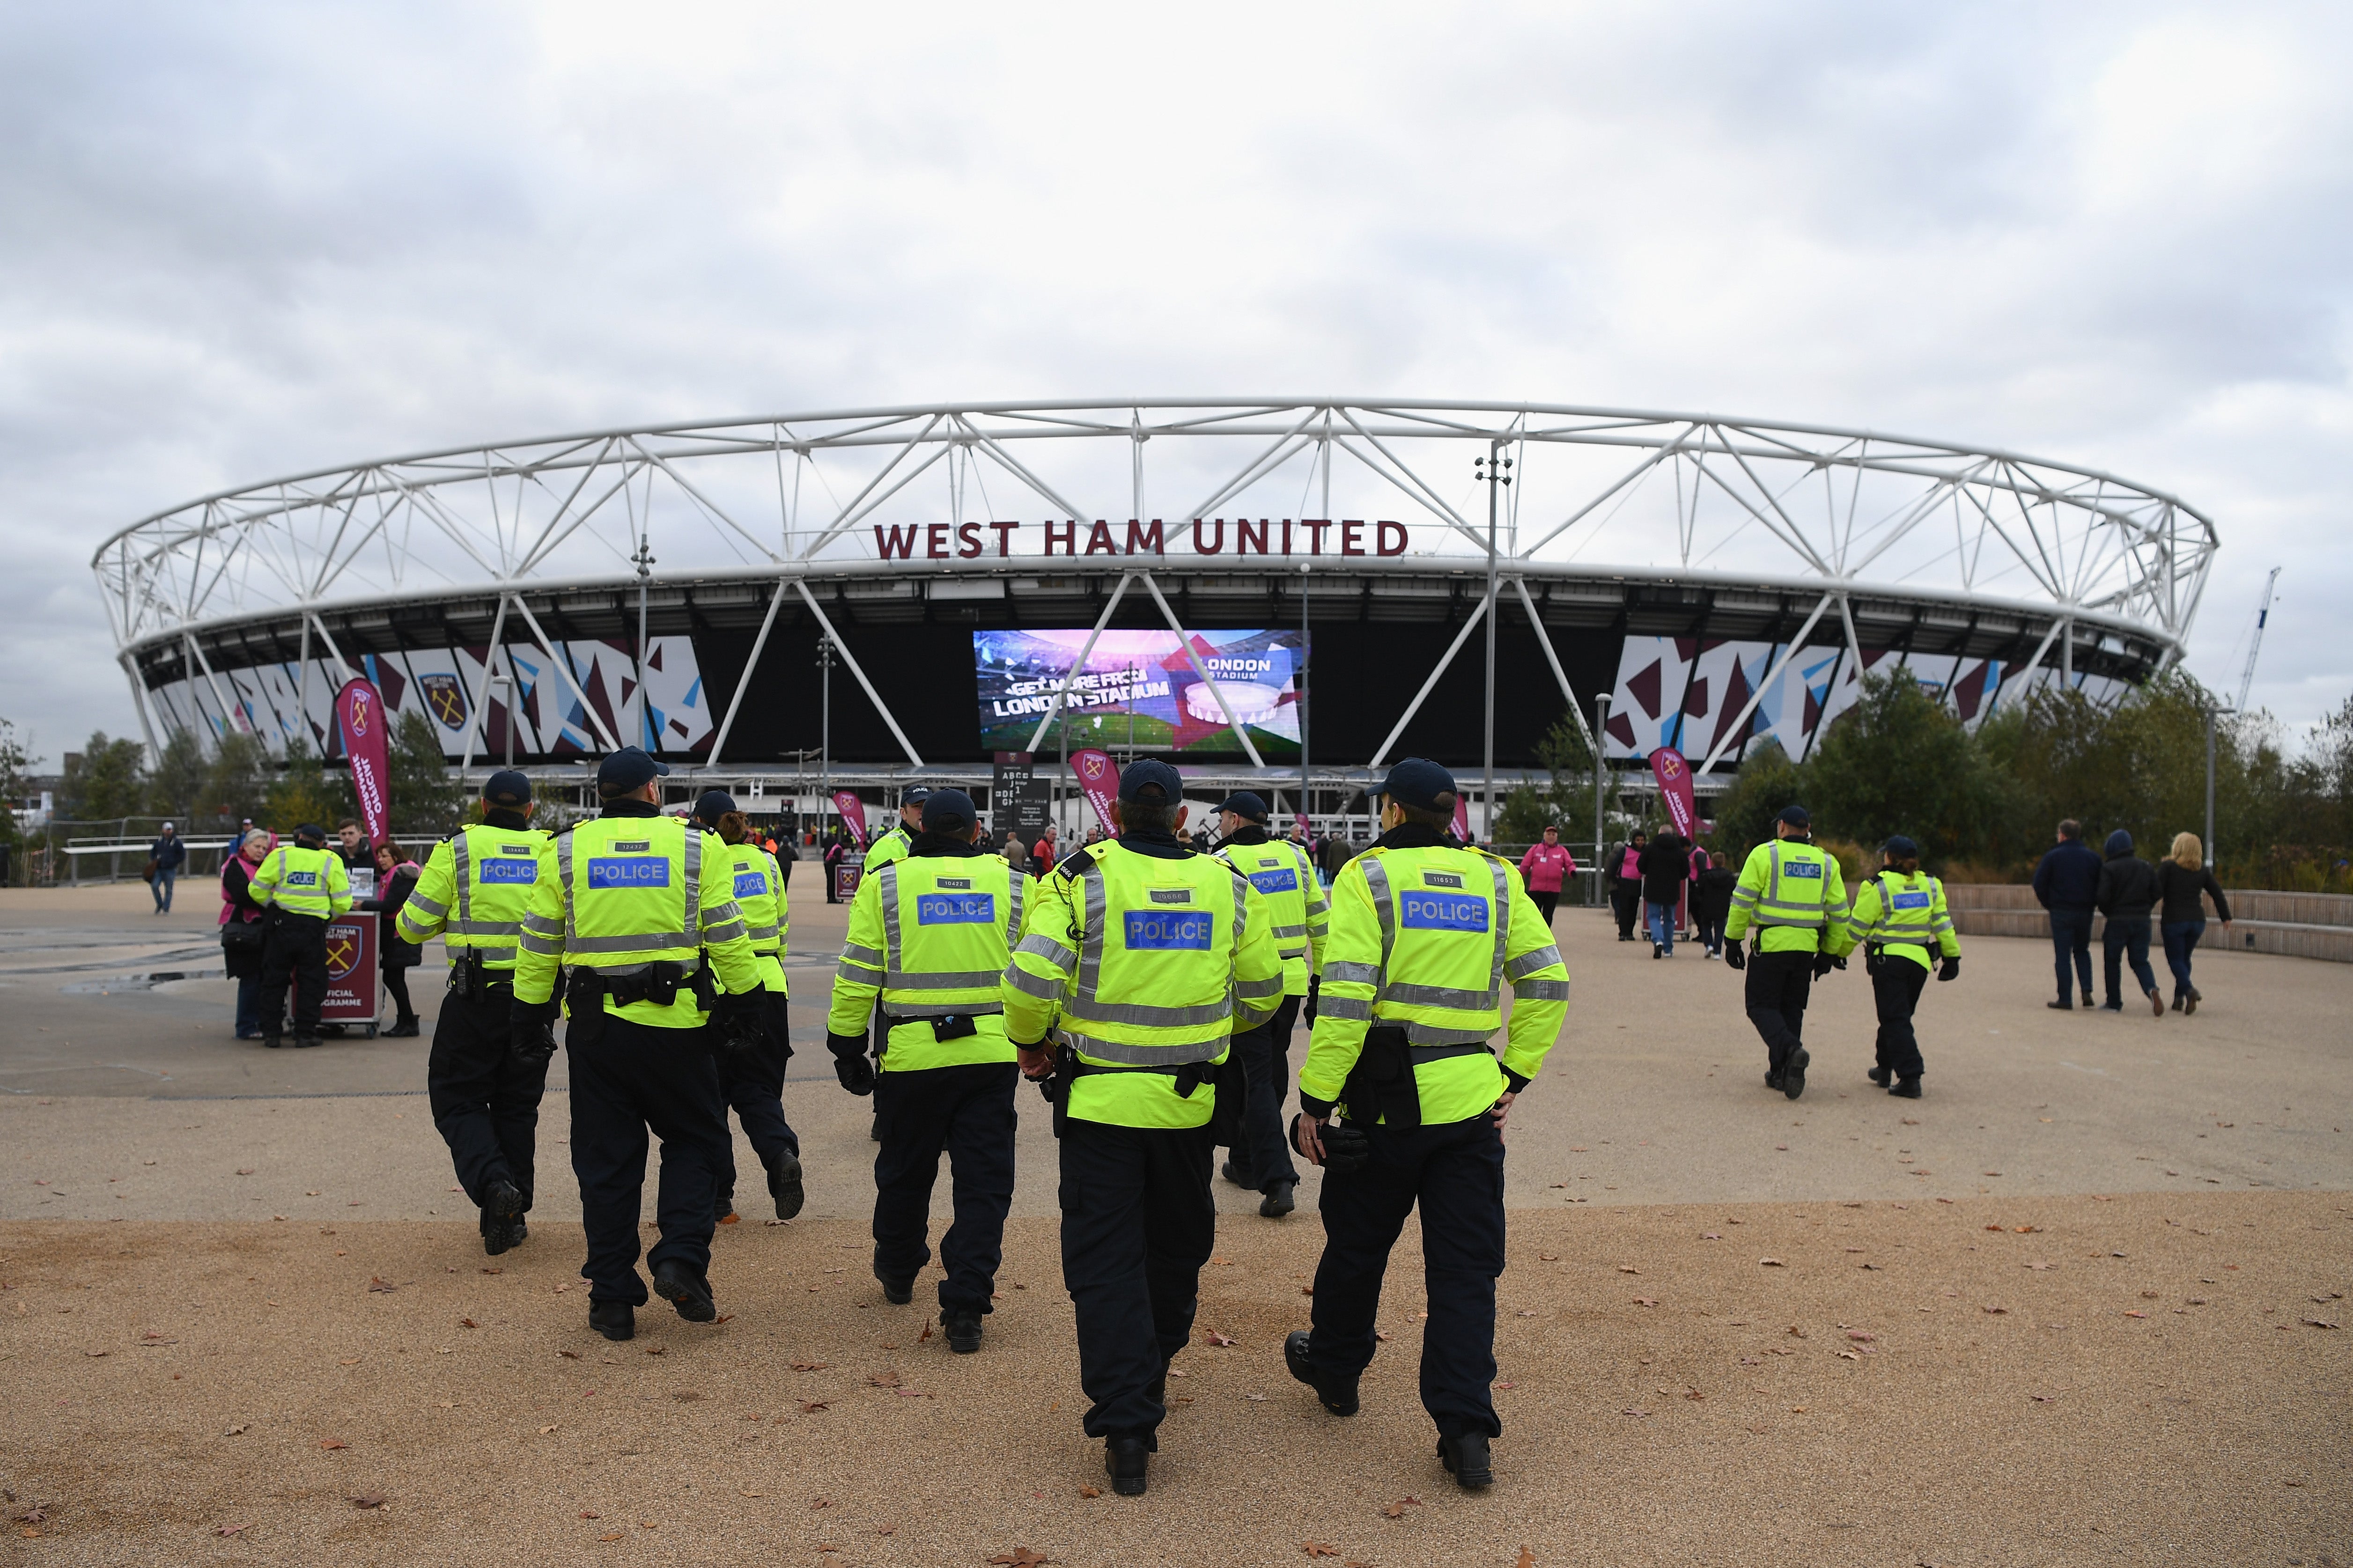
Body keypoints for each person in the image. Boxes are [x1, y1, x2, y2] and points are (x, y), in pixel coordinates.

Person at [1283, 758, 1569, 1494]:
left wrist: (1314, 1102)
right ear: (1450, 814)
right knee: (1465, 1271)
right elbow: (1547, 981)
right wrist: (1515, 1073)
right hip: (1470, 1104)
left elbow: (1344, 997)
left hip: (1383, 1108)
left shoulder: (1367, 876)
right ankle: (1466, 1429)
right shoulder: (1498, 878)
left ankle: (1338, 1372)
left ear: (1389, 811)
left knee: (1355, 1248)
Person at [1003, 758, 1284, 1497]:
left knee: (1103, 1262)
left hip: (1097, 1108)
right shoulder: (1226, 883)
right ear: (1183, 814)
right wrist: (1214, 1028)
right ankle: (1150, 1367)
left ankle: (1127, 1422)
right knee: (1176, 1248)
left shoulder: (1079, 877)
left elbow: (1031, 982)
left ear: (1119, 813)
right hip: (1188, 1107)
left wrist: (1031, 1044)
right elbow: (1264, 992)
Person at [510, 746, 767, 1341]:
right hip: (676, 1027)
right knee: (697, 1140)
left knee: (607, 1163)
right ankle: (678, 1256)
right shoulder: (697, 848)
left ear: (602, 794)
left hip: (597, 1034)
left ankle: (611, 1298)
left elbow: (539, 941)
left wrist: (529, 1017)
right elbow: (729, 933)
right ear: (653, 792)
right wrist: (747, 999)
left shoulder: (566, 850)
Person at [826, 788, 1024, 1354]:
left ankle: (897, 1262)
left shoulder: (886, 882)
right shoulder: (1013, 883)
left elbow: (859, 968)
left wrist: (845, 1042)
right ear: (974, 830)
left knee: (905, 1170)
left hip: (912, 1056)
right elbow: (1038, 967)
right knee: (984, 1184)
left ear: (919, 828)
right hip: (990, 1054)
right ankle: (966, 1302)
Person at [395, 772, 553, 1254]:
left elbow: (412, 927)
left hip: (477, 999)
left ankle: (493, 1184)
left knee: (457, 1098)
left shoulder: (457, 849)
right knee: (517, 1105)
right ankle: (513, 1213)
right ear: (531, 809)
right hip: (538, 999)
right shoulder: (552, 848)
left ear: (483, 806)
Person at [1210, 790, 1329, 1218]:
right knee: (1268, 1070)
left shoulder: (1222, 863)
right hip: (1292, 982)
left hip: (1248, 988)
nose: (1220, 824)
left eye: (1222, 817)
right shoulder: (1296, 856)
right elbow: (1321, 923)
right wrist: (1320, 984)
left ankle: (1277, 1177)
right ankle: (1243, 1160)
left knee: (1255, 1078)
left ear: (1236, 820)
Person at [691, 790, 805, 1224]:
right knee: (758, 1089)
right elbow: (781, 925)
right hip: (770, 986)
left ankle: (720, 1198)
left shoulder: (701, 859)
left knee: (712, 1097)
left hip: (718, 988)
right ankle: (779, 1155)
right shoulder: (766, 861)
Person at [1721, 806, 1851, 1099]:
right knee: (1792, 1009)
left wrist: (1733, 940)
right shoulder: (1827, 862)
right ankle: (1781, 1072)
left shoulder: (1765, 854)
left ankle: (1791, 1051)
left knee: (1760, 1007)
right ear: (1808, 830)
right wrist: (1830, 952)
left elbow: (1742, 902)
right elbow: (1841, 914)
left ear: (1782, 826)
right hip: (1806, 949)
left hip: (1771, 946)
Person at [1843, 836, 1960, 1098]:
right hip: (1919, 963)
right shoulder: (1931, 885)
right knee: (1897, 1016)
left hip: (1888, 961)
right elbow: (1942, 923)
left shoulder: (1878, 887)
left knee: (1894, 1018)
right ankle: (1884, 1068)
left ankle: (1910, 1076)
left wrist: (1837, 953)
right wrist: (1952, 957)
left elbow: (1858, 927)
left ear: (1889, 858)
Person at [248, 823, 354, 1050]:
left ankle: (272, 1034)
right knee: (311, 982)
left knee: (274, 981)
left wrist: (273, 907)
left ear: (299, 838)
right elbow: (344, 902)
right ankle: (305, 1034)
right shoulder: (330, 861)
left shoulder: (281, 856)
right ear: (321, 842)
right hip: (312, 929)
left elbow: (256, 889)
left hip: (281, 926)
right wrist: (327, 918)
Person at [2156, 832, 2234, 1013]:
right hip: (2197, 922)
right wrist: (2226, 917)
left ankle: (2189, 990)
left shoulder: (2168, 867)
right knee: (2184, 959)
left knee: (2175, 959)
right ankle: (2178, 1000)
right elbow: (2217, 893)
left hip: (2174, 921)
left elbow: (2156, 891)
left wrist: (2141, 908)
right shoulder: (2203, 871)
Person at [2030, 820, 2102, 1010]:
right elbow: (2102, 885)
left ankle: (2065, 998)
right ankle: (2087, 991)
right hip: (2085, 911)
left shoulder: (2053, 857)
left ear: (2062, 835)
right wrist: (2092, 903)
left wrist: (2050, 904)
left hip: (2061, 911)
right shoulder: (2093, 858)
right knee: (2082, 950)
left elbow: (2039, 883)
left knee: (2063, 954)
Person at [2094, 829, 2164, 1017]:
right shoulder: (2146, 866)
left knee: (2112, 960)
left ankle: (2114, 1002)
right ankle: (2152, 989)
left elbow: (2102, 897)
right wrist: (2146, 907)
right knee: (2140, 960)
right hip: (2142, 921)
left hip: (2118, 920)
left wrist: (2109, 912)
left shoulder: (2109, 868)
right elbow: (2158, 891)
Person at [219, 829, 273, 1038]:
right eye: (257, 847)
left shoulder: (263, 867)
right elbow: (243, 894)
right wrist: (271, 899)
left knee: (262, 976)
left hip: (261, 927)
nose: (261, 851)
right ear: (246, 846)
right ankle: (246, 1026)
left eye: (264, 848)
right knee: (250, 977)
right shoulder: (234, 866)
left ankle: (257, 1021)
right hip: (242, 927)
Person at [367, 840, 424, 1037]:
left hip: (400, 933)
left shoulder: (403, 874)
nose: (381, 860)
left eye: (385, 856)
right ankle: (407, 1020)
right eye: (379, 856)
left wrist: (362, 906)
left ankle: (408, 1021)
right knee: (394, 978)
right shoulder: (394, 874)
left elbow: (391, 905)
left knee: (393, 977)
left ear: (396, 856)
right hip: (395, 932)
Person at [1637, 829, 1691, 958]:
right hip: (1672, 889)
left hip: (1653, 887)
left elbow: (1640, 866)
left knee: (1653, 916)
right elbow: (1686, 872)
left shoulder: (1650, 849)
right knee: (1669, 919)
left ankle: (1658, 939)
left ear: (1659, 833)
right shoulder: (1679, 851)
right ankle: (1668, 948)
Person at [862, 788, 930, 876]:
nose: (923, 811)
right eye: (917, 806)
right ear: (903, 813)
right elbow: (871, 887)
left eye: (927, 806)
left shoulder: (942, 842)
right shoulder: (886, 847)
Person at [1517, 826, 1575, 927]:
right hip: (1536, 888)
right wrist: (1518, 876)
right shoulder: (1535, 849)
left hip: (1553, 890)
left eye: (1553, 835)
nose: (1551, 837)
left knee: (1548, 914)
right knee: (1534, 914)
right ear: (1545, 836)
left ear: (1557, 837)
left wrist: (1572, 872)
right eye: (1549, 834)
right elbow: (1525, 865)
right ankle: (1534, 934)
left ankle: (1545, 937)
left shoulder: (1562, 851)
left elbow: (1569, 864)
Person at [1690, 856, 1737, 959]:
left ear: (1712, 862)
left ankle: (1709, 945)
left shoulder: (1705, 876)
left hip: (1707, 905)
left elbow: (1699, 891)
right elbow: (1733, 890)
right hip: (1723, 906)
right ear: (1724, 863)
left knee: (1706, 926)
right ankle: (1718, 952)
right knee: (1720, 929)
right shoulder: (1729, 876)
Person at [1608, 830, 1647, 941]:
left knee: (1633, 909)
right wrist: (1616, 880)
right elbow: (1615, 864)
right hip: (1625, 882)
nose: (1640, 843)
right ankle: (1623, 932)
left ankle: (1630, 932)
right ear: (1633, 841)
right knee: (1624, 908)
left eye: (1642, 840)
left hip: (1638, 882)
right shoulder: (1625, 850)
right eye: (1638, 840)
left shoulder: (1645, 852)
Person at [147, 823, 185, 913]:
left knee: (169, 889)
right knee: (155, 886)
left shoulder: (177, 843)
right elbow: (152, 852)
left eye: (170, 829)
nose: (169, 831)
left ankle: (166, 908)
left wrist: (174, 862)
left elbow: (182, 855)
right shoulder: (159, 841)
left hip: (170, 870)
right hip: (159, 869)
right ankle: (160, 904)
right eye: (167, 829)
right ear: (163, 830)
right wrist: (154, 860)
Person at [823, 830, 847, 904]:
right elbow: (838, 860)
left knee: (830, 881)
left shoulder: (837, 846)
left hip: (828, 864)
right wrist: (846, 865)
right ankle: (831, 898)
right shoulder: (839, 849)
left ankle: (831, 898)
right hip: (831, 865)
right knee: (832, 882)